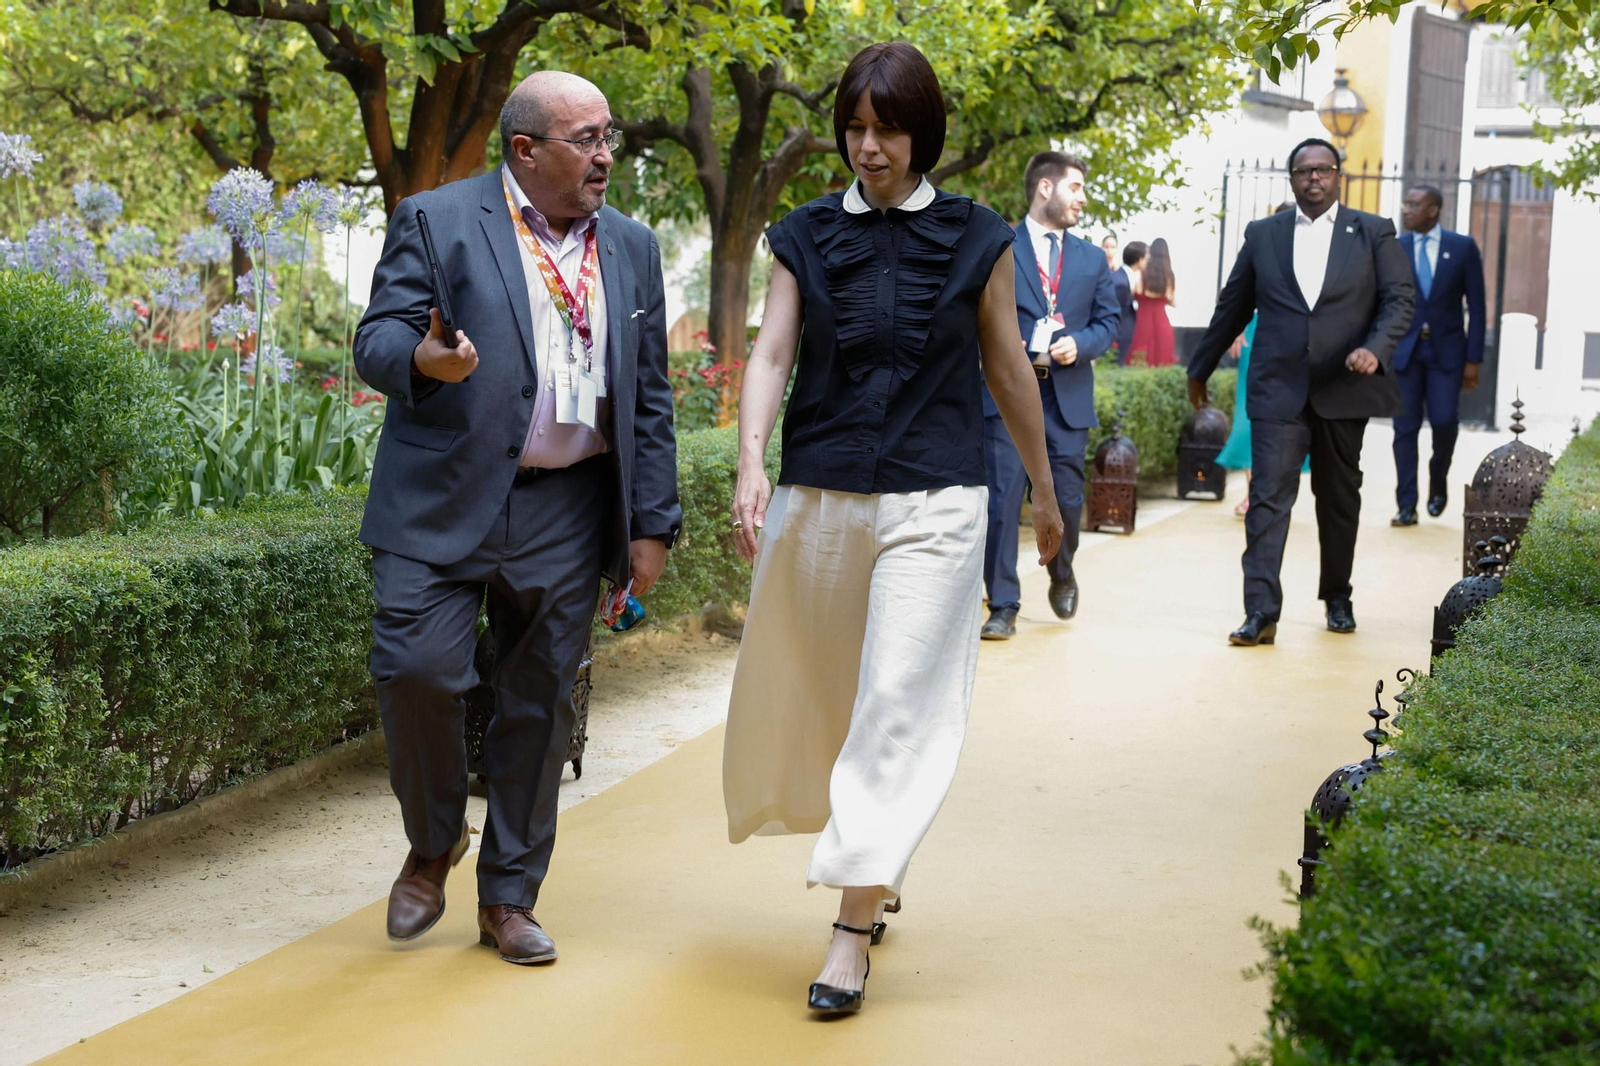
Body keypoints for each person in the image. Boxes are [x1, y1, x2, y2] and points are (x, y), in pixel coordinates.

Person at [722, 42, 1063, 1016]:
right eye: (854, 128)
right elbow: (773, 348)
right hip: (821, 496)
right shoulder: (803, 233)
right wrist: (751, 459)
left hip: (937, 500)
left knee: (898, 699)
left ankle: (848, 928)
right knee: (836, 695)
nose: (866, 147)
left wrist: (1044, 492)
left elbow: (1007, 369)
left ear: (923, 135)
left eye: (887, 129)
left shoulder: (977, 237)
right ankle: (880, 852)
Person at [354, 71, 681, 964]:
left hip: (568, 507)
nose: (606, 156)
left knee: (538, 704)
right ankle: (434, 841)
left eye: (610, 135)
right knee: (415, 667)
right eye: (587, 139)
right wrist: (423, 359)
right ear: (526, 149)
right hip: (442, 499)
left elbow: (648, 393)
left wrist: (650, 524)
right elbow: (375, 337)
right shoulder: (437, 219)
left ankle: (509, 898)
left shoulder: (633, 247)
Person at [1186, 137, 1412, 646]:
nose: (1314, 177)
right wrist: (1199, 368)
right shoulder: (1264, 234)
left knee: (1337, 500)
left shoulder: (1372, 232)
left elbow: (1399, 299)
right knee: (1267, 500)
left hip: (1344, 388)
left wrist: (1376, 349)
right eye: (1304, 171)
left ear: (1338, 176)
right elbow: (1233, 304)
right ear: (1292, 178)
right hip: (1278, 390)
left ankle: (1337, 594)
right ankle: (1260, 612)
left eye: (1324, 170)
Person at [979, 151, 1119, 640]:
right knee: (1002, 499)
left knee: (1066, 498)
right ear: (1045, 188)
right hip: (1006, 397)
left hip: (1067, 400)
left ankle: (1062, 572)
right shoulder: (997, 245)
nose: (1082, 198)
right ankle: (1003, 603)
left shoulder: (1091, 257)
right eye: (1075, 187)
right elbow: (970, 313)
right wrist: (996, 342)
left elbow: (1109, 322)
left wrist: (1081, 343)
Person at [1390, 183, 1486, 526]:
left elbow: (1477, 305)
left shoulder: (1462, 248)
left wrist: (1473, 360)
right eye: (1406, 203)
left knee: (1444, 421)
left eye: (1414, 204)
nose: (1406, 209)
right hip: (1405, 352)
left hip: (1446, 352)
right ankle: (1406, 504)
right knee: (1405, 428)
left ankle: (1438, 477)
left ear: (1433, 210)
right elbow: (1385, 301)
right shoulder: (1396, 248)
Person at [1215, 204, 1305, 517]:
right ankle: (1256, 493)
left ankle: (1277, 491)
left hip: (1302, 340)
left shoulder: (1316, 256)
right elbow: (1237, 291)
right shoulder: (1260, 249)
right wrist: (1235, 328)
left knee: (1292, 418)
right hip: (1258, 335)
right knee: (1249, 416)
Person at [1127, 237, 1177, 366]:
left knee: (1139, 360)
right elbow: (1174, 302)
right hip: (1162, 323)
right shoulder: (1169, 276)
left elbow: (1134, 293)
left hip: (1141, 323)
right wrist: (1161, 300)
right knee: (1161, 363)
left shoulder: (1142, 273)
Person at [1111, 239, 1146, 363]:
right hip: (1119, 335)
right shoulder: (1120, 282)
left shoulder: (1121, 276)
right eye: (1147, 258)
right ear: (1140, 260)